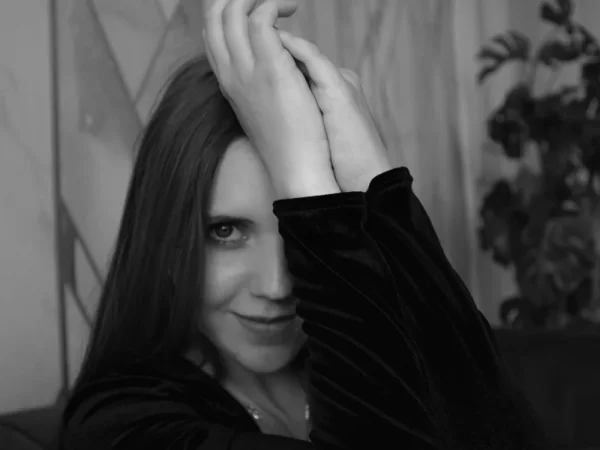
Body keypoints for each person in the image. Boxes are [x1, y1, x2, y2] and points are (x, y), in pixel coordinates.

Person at [59, 0, 547, 448]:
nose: (277, 285)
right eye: (226, 231)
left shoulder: (369, 354)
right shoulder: (120, 426)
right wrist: (311, 190)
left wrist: (379, 188)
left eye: (293, 233)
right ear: (164, 238)